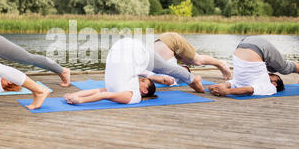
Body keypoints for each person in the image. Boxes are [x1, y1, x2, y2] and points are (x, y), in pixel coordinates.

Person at [64, 38, 204, 105]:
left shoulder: (128, 92)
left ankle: (192, 78)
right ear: (143, 92)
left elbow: (101, 92)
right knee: (168, 69)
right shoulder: (131, 94)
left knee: (168, 69)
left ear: (143, 91)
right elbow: (103, 93)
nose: (139, 79)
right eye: (143, 80)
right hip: (136, 52)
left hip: (121, 49)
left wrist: (78, 96)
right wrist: (78, 98)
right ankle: (192, 79)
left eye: (143, 81)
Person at [209, 36, 299, 97]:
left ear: (274, 82)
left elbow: (242, 88)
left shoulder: (239, 83)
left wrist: (216, 88)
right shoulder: (268, 88)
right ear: (274, 84)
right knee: (283, 68)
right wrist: (226, 92)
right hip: (257, 47)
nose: (271, 75)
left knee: (277, 68)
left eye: (274, 76)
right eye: (273, 75)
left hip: (245, 43)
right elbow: (249, 90)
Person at [154, 32, 232, 80]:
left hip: (172, 40)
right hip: (163, 43)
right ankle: (220, 63)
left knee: (197, 61)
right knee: (188, 62)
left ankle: (220, 63)